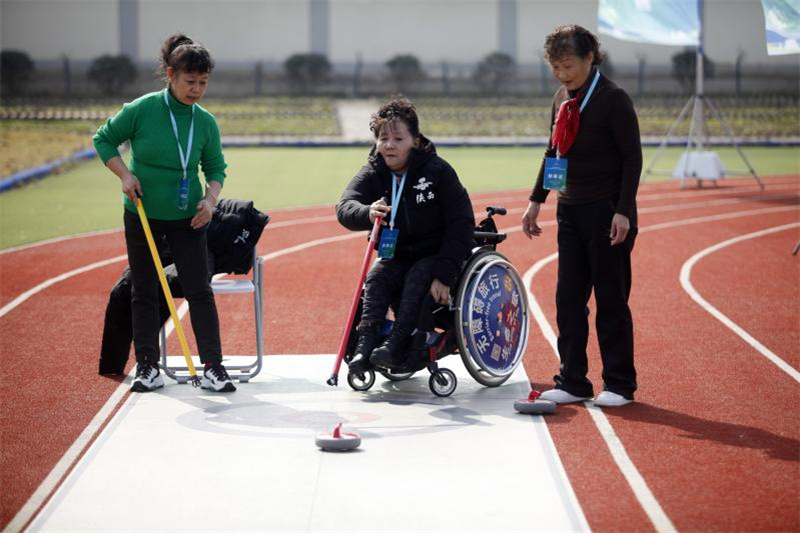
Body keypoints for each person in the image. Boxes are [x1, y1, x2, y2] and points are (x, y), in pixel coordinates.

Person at [93, 34, 235, 393]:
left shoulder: (204, 122)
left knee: (199, 290)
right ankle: (147, 366)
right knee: (144, 290)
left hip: (189, 218)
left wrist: (210, 200)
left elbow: (216, 167)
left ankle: (214, 367)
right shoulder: (142, 109)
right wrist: (125, 175)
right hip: (141, 212)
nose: (197, 90)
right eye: (190, 82)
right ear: (171, 75)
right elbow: (103, 139)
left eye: (203, 83)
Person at [521, 25, 642, 407]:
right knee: (568, 299)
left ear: (591, 58)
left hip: (607, 211)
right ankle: (573, 380)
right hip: (570, 211)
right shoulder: (561, 98)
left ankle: (620, 384)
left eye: (569, 65)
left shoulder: (613, 99)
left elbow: (632, 159)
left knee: (610, 299)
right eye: (555, 66)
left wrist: (623, 211)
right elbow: (552, 150)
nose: (562, 74)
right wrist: (536, 200)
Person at [337, 98, 475, 372]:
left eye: (398, 138)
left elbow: (462, 222)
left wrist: (445, 275)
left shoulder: (437, 171)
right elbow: (344, 207)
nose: (389, 145)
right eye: (383, 138)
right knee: (376, 276)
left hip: (436, 254)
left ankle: (396, 344)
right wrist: (367, 212)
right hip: (397, 255)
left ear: (414, 140)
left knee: (418, 275)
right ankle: (365, 348)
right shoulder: (374, 171)